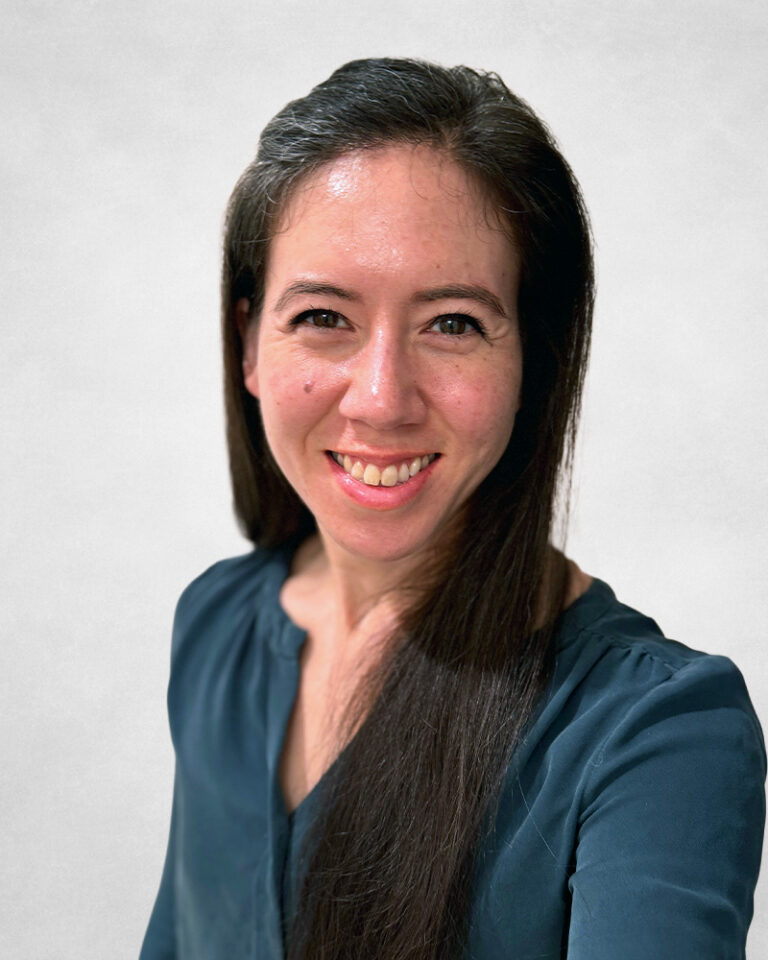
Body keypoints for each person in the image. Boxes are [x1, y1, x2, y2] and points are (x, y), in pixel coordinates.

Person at [139, 58, 765, 960]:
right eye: (323, 316)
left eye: (454, 324)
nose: (381, 399)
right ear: (248, 343)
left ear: (534, 363)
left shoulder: (656, 735)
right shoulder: (218, 625)